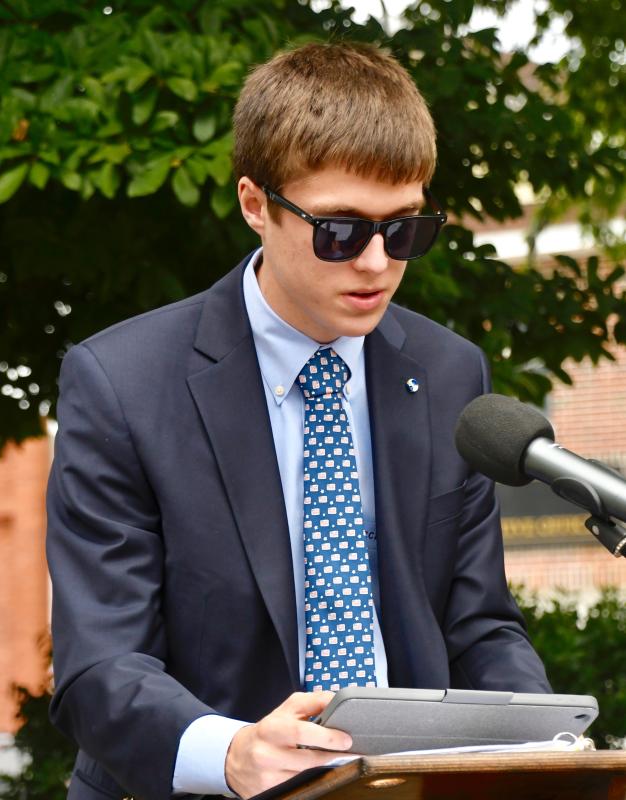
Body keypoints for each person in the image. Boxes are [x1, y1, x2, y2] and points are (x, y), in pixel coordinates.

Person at [46, 41, 550, 800]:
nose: (378, 263)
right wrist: (232, 753)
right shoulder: (122, 383)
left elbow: (478, 626)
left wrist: (543, 738)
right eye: (340, 232)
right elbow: (100, 666)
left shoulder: (451, 375)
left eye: (406, 229)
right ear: (255, 204)